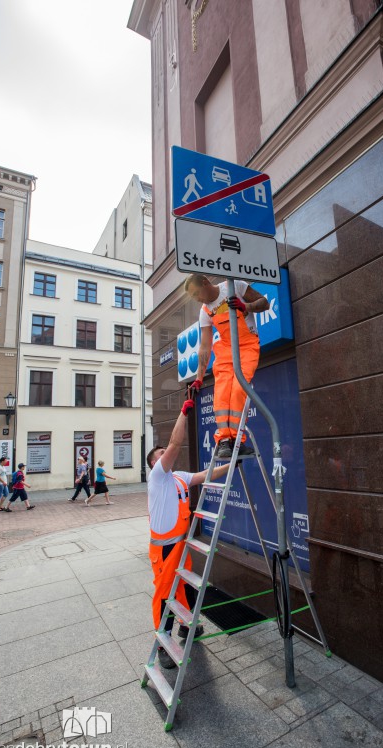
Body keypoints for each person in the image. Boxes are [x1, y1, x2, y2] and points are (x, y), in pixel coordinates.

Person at [147, 396, 233, 669]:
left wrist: (232, 466)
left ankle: (189, 626)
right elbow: (174, 443)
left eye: (163, 452)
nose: (165, 453)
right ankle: (163, 642)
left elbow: (206, 475)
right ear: (154, 464)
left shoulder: (179, 477)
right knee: (164, 595)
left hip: (180, 545)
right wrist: (184, 411)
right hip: (163, 548)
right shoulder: (158, 477)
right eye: (159, 454)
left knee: (185, 586)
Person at [184, 274, 269, 458]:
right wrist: (198, 379)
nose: (197, 299)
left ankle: (236, 440)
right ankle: (224, 441)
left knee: (239, 390)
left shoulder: (235, 287)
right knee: (222, 392)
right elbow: (205, 346)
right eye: (193, 297)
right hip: (225, 348)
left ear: (205, 282)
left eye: (197, 293)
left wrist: (246, 307)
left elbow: (264, 303)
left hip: (247, 346)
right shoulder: (205, 311)